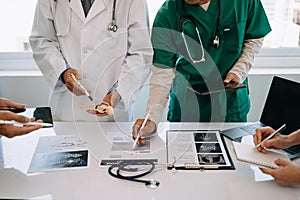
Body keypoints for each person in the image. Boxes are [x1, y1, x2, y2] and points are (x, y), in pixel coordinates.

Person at [132, 0, 271, 144]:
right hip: (187, 105)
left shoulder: (243, 3)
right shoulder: (168, 13)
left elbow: (254, 37)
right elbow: (162, 72)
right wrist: (152, 119)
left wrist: (239, 70)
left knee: (231, 161)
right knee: (183, 161)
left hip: (229, 104)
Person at [29, 0, 152, 121]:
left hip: (114, 115)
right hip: (67, 111)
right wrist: (62, 72)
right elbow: (42, 40)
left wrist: (121, 91)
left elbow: (140, 53)